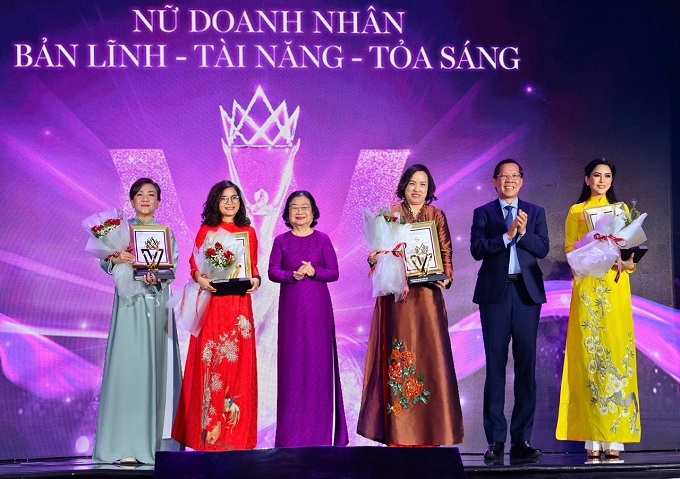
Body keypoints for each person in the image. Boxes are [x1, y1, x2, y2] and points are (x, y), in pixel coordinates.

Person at [357, 164, 464, 446]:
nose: (417, 189)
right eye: (413, 183)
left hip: (428, 295)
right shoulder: (391, 215)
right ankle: (400, 431)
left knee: (430, 353)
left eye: (423, 184)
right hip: (399, 297)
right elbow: (378, 252)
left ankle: (432, 430)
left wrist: (446, 276)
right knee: (400, 353)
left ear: (429, 190)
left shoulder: (436, 215)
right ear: (404, 186)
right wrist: (375, 258)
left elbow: (445, 251)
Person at [556, 158, 641, 459]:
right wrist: (590, 247)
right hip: (588, 287)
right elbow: (569, 248)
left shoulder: (622, 210)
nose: (602, 180)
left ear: (611, 180)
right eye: (596, 175)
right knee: (589, 356)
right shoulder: (576, 211)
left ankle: (615, 434)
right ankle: (592, 435)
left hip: (615, 287)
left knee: (616, 352)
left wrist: (626, 263)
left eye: (607, 176)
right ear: (587, 179)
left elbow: (632, 253)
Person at [93, 177, 182, 465]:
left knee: (154, 367)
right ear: (131, 200)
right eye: (140, 194)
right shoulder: (120, 230)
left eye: (151, 194)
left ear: (159, 201)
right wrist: (116, 258)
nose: (145, 198)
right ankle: (123, 444)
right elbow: (105, 261)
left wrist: (158, 277)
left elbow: (170, 268)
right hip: (128, 306)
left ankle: (153, 444)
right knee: (127, 367)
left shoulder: (165, 233)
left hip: (155, 305)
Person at [470, 159, 549, 462]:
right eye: (503, 176)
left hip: (526, 295)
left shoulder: (535, 211)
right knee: (495, 365)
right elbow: (477, 249)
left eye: (514, 175)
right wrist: (507, 235)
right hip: (495, 296)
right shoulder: (483, 213)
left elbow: (542, 248)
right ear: (494, 181)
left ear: (522, 180)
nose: (509, 180)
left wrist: (523, 233)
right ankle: (496, 440)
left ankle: (522, 439)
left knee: (526, 366)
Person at [172, 180, 260, 450]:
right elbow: (194, 265)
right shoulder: (207, 231)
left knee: (238, 365)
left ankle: (234, 437)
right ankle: (208, 433)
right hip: (213, 307)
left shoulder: (248, 231)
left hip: (239, 306)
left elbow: (252, 267)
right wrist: (201, 279)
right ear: (215, 203)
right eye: (224, 199)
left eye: (234, 198)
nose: (230, 203)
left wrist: (256, 280)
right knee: (211, 363)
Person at [268, 191, 349, 447]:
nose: (300, 211)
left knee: (318, 365)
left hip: (318, 311)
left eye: (305, 207)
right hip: (291, 312)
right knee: (292, 367)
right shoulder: (281, 240)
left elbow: (333, 272)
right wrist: (291, 275)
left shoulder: (322, 239)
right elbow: (272, 271)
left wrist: (314, 271)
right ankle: (290, 437)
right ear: (287, 213)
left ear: (313, 212)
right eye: (294, 207)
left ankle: (319, 436)